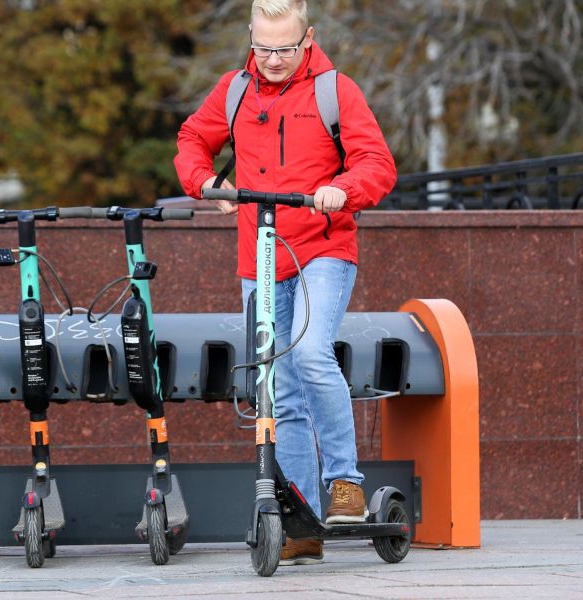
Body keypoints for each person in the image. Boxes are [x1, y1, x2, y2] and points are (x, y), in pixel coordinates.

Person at [174, 0, 397, 566]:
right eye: (263, 47)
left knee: (313, 351)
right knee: (278, 380)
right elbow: (192, 140)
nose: (273, 60)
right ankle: (299, 515)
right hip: (262, 252)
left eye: (285, 48)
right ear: (252, 36)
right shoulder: (234, 89)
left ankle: (344, 483)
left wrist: (342, 189)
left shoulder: (334, 90)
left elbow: (377, 163)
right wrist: (204, 183)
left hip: (323, 244)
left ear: (308, 38)